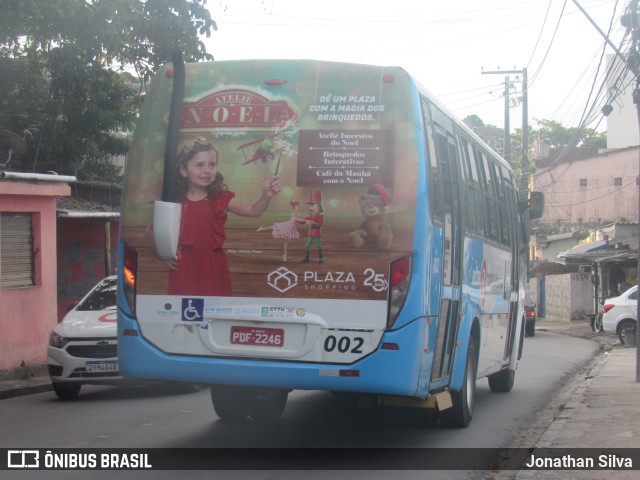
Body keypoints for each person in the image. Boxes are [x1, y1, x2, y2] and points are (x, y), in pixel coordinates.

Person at [155, 137, 281, 296]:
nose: (207, 170)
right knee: (184, 315)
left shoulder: (221, 198)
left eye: (212, 164)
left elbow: (254, 211)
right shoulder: (175, 202)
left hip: (213, 267)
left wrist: (266, 195)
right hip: (185, 269)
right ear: (183, 170)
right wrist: (163, 255)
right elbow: (151, 230)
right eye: (199, 165)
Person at [298, 191, 324, 264]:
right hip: (311, 232)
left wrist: (312, 223)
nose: (311, 207)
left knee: (318, 246)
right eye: (311, 205)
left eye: (313, 205)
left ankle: (321, 258)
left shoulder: (320, 215)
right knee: (307, 245)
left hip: (316, 232)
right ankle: (306, 259)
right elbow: (304, 220)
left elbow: (320, 224)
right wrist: (297, 220)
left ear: (319, 206)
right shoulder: (310, 215)